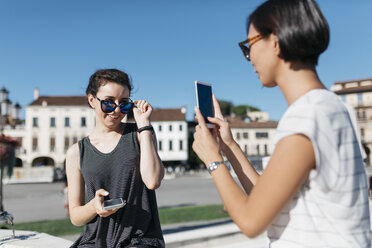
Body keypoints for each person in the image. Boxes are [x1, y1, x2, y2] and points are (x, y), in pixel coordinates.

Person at [192, 0, 371, 247]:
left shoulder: (308, 116)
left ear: (275, 41)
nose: (249, 57)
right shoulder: (328, 107)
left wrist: (212, 160)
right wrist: (228, 146)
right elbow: (263, 198)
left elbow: (251, 221)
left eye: (249, 45)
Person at [66, 69, 165, 248]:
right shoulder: (76, 152)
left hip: (139, 240)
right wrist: (94, 207)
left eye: (124, 104)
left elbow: (152, 181)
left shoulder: (141, 134)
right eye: (109, 103)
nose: (117, 110)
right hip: (94, 242)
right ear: (91, 100)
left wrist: (143, 124)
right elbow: (75, 216)